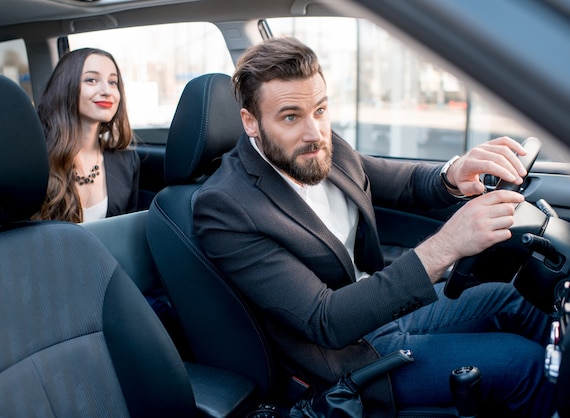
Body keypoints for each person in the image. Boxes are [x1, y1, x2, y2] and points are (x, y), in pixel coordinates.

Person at [193, 37, 554, 417]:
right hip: (344, 358)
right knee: (526, 364)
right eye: (290, 117)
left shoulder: (320, 146)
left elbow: (402, 181)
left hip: (384, 311)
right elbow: (325, 320)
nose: (314, 131)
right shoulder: (224, 207)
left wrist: (454, 173)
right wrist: (447, 244)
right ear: (251, 122)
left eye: (320, 109)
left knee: (518, 299)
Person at [34, 47, 139, 223]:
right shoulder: (36, 160)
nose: (107, 91)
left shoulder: (127, 161)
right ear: (65, 88)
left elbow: (127, 234)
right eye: (91, 80)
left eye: (113, 82)